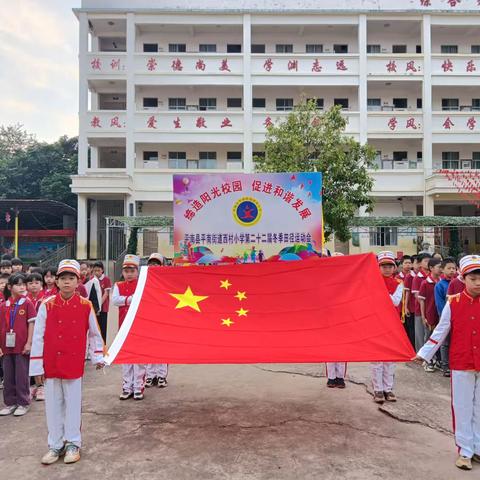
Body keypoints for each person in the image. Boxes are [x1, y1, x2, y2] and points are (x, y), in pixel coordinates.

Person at [29, 259, 105, 465]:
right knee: (53, 406)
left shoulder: (85, 305)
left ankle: (73, 443)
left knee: (73, 404)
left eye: (71, 278)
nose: (67, 282)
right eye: (63, 278)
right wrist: (37, 366)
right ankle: (55, 445)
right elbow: (38, 336)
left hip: (73, 362)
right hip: (51, 362)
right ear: (56, 282)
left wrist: (98, 356)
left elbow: (94, 334)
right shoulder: (47, 305)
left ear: (78, 281)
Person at [414, 254, 480, 471]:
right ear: (463, 278)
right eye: (473, 278)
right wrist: (424, 354)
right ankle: (465, 451)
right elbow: (440, 332)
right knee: (462, 407)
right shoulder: (454, 303)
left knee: (479, 407)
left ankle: (478, 448)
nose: (478, 282)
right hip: (461, 362)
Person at [0, 273, 36, 416]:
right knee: (8, 375)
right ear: (10, 287)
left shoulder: (27, 303)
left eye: (23, 284)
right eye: (18, 285)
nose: (22, 287)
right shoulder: (3, 306)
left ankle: (23, 402)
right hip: (6, 346)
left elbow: (31, 324)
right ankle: (10, 403)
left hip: (21, 346)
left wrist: (29, 343)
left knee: (21, 375)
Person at [112, 254, 146, 400]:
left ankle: (138, 387)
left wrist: (128, 300)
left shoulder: (142, 284)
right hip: (124, 325)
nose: (129, 274)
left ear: (137, 271)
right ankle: (127, 387)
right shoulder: (118, 285)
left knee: (138, 358)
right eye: (126, 271)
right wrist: (130, 299)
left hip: (139, 326)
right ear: (123, 272)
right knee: (126, 358)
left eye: (132, 271)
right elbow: (115, 300)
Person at [371, 251, 403, 404]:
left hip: (392, 324)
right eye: (383, 266)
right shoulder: (371, 282)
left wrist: (380, 291)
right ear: (378, 267)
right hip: (376, 323)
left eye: (390, 265)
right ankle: (377, 389)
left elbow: (395, 302)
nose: (387, 268)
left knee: (390, 359)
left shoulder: (399, 283)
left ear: (394, 267)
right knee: (377, 359)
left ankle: (388, 389)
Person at [144, 253, 169, 389]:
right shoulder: (143, 279)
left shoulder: (166, 279)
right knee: (149, 347)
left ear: (161, 265)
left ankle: (161, 376)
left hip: (162, 318)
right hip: (148, 318)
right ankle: (150, 375)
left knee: (162, 348)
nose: (153, 266)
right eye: (151, 263)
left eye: (156, 263)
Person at [417, 257, 442, 372]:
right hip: (430, 314)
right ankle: (428, 360)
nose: (441, 270)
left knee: (440, 339)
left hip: (440, 315)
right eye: (439, 267)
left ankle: (438, 360)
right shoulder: (425, 283)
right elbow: (422, 301)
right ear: (431, 268)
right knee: (429, 338)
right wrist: (423, 316)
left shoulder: (442, 281)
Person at [434, 257, 457, 377]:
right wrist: (446, 317)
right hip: (445, 318)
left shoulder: (459, 283)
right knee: (445, 342)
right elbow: (440, 304)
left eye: (454, 268)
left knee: (455, 342)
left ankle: (454, 365)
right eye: (449, 268)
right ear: (442, 270)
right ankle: (445, 366)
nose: (452, 270)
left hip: (457, 318)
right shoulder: (440, 285)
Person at [26, 272, 46, 400]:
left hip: (41, 334)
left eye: (36, 283)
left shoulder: (46, 299)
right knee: (29, 360)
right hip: (28, 334)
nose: (33, 286)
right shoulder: (25, 300)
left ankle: (41, 386)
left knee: (40, 359)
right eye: (30, 283)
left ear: (41, 285)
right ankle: (32, 385)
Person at [411, 253, 432, 351]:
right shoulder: (417, 278)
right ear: (420, 264)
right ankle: (419, 354)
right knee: (420, 333)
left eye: (429, 261)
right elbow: (417, 296)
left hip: (432, 310)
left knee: (430, 333)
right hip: (420, 310)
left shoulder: (433, 276)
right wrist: (426, 308)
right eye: (426, 261)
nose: (428, 263)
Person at [92, 261, 111, 344]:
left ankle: (103, 344)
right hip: (94, 308)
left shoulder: (106, 279)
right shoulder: (92, 279)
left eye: (98, 270)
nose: (96, 272)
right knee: (95, 327)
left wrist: (99, 304)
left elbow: (106, 293)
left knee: (103, 326)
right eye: (95, 270)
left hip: (103, 308)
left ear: (102, 270)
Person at [397, 255, 415, 347]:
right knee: (403, 328)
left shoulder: (413, 276)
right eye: (406, 263)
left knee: (411, 328)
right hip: (400, 307)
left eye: (409, 263)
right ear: (401, 264)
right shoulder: (397, 277)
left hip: (411, 306)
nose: (408, 265)